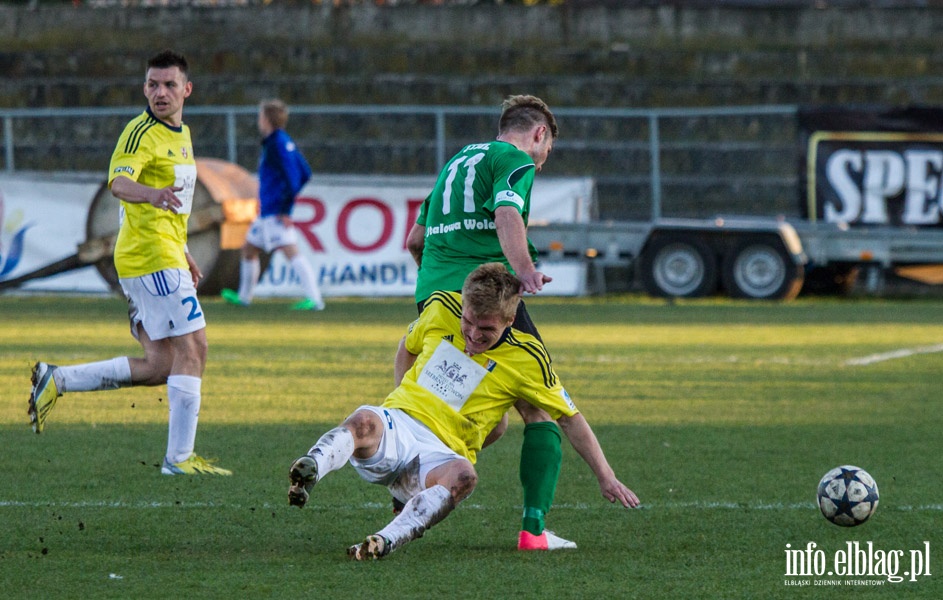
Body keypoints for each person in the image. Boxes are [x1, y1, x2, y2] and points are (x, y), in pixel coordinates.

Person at [288, 263, 639, 560]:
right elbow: (406, 347)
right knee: (364, 420)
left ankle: (385, 540)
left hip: (442, 454)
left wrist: (605, 476)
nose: (472, 335)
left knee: (464, 477)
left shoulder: (528, 357)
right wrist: (396, 401)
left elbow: (569, 418)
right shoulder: (441, 307)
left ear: (511, 318)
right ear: (463, 304)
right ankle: (311, 468)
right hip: (401, 425)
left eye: (486, 329)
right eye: (468, 322)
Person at [27, 49, 231, 476]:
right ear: (144, 89)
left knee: (160, 365)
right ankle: (179, 461)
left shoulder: (182, 135)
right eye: (153, 85)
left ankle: (56, 380)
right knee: (196, 347)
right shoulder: (140, 133)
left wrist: (185, 251)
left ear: (186, 90)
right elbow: (119, 183)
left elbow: (174, 208)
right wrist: (151, 194)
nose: (160, 92)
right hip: (148, 257)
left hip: (163, 252)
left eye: (169, 84)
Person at [402, 94, 567, 550]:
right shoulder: (515, 159)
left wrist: (435, 288)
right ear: (539, 134)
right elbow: (507, 213)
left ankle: (414, 478)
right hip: (489, 297)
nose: (543, 159)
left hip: (435, 298)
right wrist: (523, 270)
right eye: (548, 149)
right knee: (539, 408)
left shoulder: (457, 162)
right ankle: (534, 531)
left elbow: (415, 239)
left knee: (468, 416)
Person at [221, 99, 324, 311]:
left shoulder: (277, 144)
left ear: (266, 120)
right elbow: (305, 172)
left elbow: (295, 178)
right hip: (268, 211)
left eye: (260, 116)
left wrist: (285, 209)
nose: (259, 121)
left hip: (276, 212)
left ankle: (315, 300)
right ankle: (244, 298)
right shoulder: (281, 141)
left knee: (291, 252)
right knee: (249, 249)